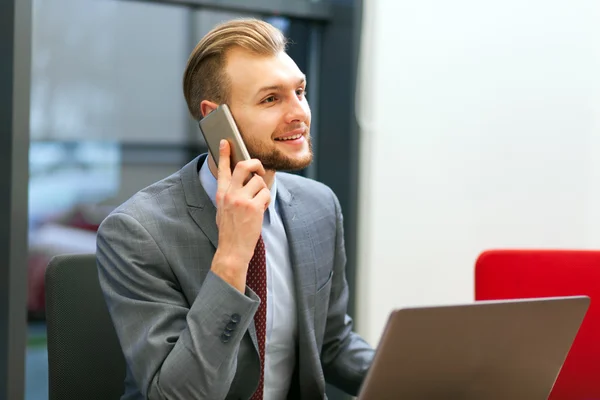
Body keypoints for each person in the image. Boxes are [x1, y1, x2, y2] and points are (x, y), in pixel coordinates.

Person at [96, 18, 374, 400]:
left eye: (300, 91)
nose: (300, 113)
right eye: (271, 99)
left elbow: (332, 343)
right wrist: (232, 255)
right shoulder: (137, 231)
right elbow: (177, 395)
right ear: (215, 119)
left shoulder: (319, 205)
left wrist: (426, 379)